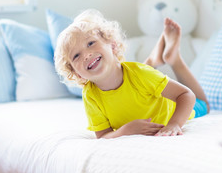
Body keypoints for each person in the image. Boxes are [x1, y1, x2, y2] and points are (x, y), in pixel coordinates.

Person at [54, 9, 209, 139]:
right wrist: (125, 130)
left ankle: (174, 59)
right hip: (142, 80)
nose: (86, 55)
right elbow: (103, 136)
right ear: (77, 74)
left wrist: (174, 123)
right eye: (76, 56)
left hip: (177, 108)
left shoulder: (140, 74)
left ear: (112, 46)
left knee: (205, 105)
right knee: (140, 79)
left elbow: (186, 95)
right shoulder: (90, 95)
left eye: (90, 43)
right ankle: (153, 59)